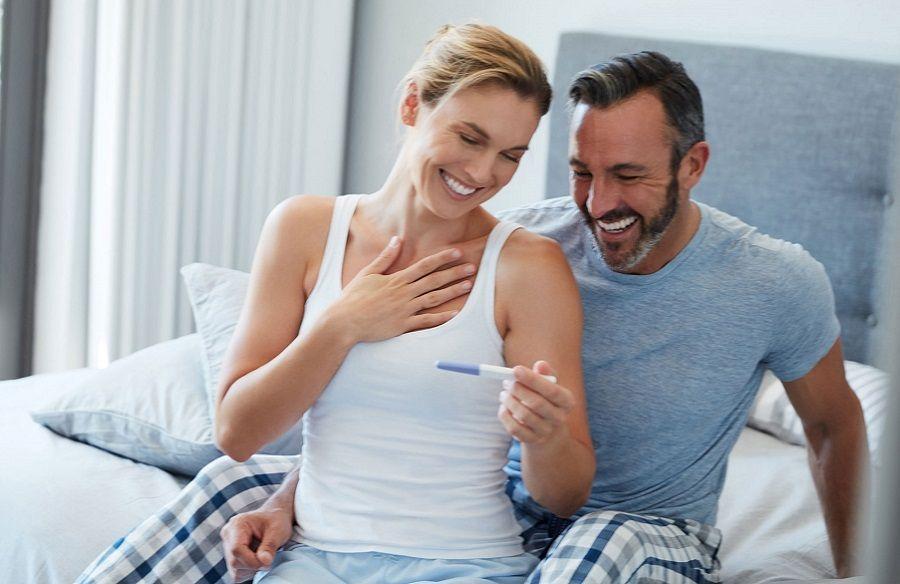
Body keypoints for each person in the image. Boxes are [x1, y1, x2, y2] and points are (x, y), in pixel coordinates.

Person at [77, 50, 867, 584]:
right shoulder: (527, 239)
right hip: (506, 513)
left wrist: (860, 571)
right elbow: (388, 413)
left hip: (637, 527)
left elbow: (834, 426)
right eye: (581, 172)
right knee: (233, 481)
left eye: (627, 175)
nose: (599, 204)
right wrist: (292, 499)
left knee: (602, 539)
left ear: (693, 165)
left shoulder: (774, 280)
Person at [211, 21, 593, 584]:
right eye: (470, 138)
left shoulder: (527, 267)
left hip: (464, 565)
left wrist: (546, 436)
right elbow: (236, 433)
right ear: (413, 103)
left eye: (510, 155)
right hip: (312, 559)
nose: (483, 173)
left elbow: (565, 494)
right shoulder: (304, 228)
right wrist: (342, 325)